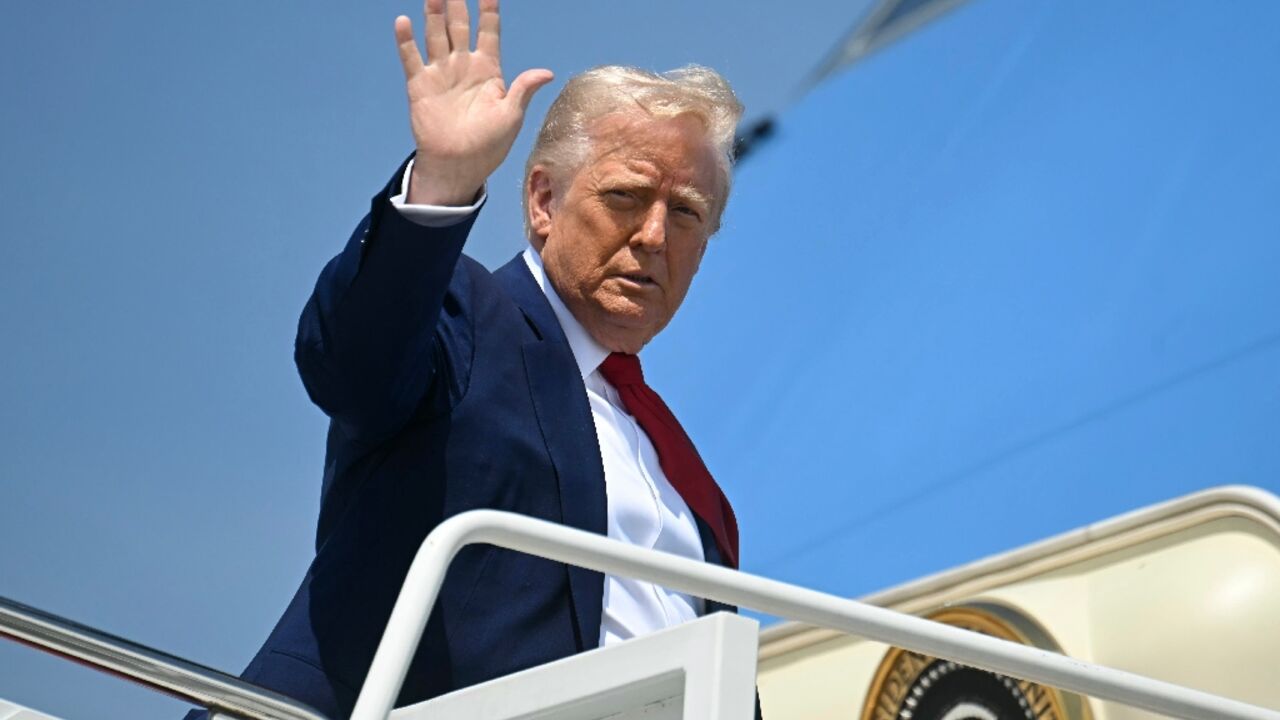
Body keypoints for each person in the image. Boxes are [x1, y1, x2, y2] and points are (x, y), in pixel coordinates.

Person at [190, 0, 746, 716]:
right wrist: (442, 183)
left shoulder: (688, 476)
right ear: (543, 200)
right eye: (626, 197)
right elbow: (349, 364)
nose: (652, 236)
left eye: (688, 213)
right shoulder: (461, 319)